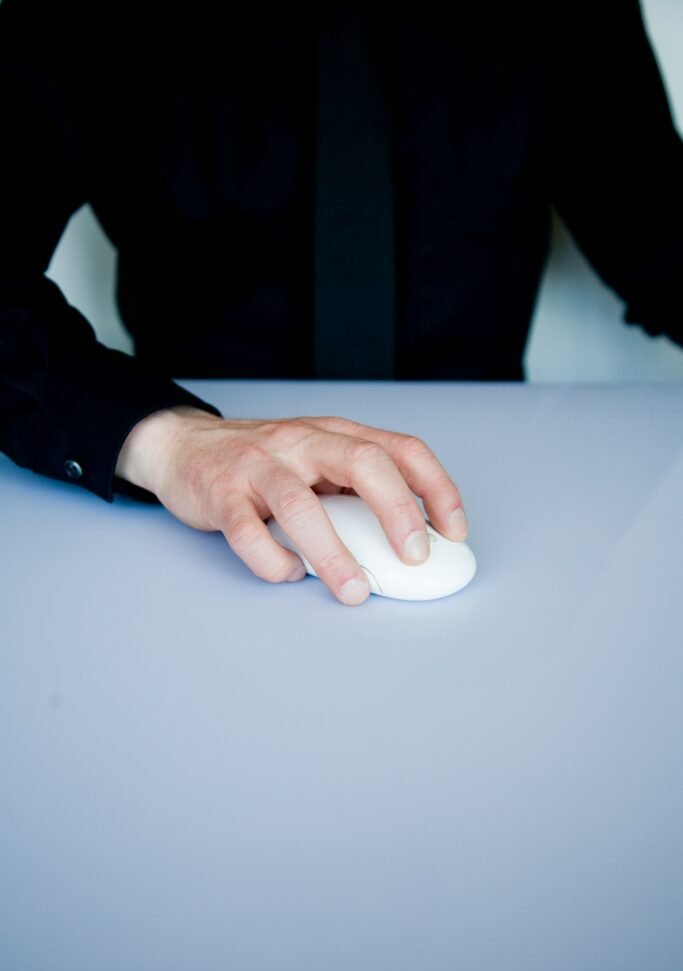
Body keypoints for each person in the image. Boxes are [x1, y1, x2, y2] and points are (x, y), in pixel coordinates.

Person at [1, 2, 682, 606]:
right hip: (179, 506)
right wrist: (161, 437)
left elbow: (663, 245)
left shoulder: (566, 13)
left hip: (493, 492)